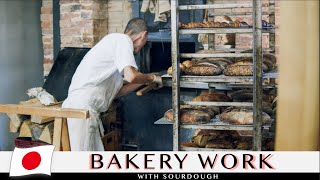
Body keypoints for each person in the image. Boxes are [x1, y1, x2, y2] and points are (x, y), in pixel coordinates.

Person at [62, 18, 163, 151]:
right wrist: (151, 77)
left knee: (93, 163)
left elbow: (119, 91)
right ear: (143, 35)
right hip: (81, 111)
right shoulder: (122, 40)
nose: (141, 48)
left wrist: (146, 80)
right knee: (83, 164)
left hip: (84, 110)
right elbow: (131, 76)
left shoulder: (114, 44)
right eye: (145, 41)